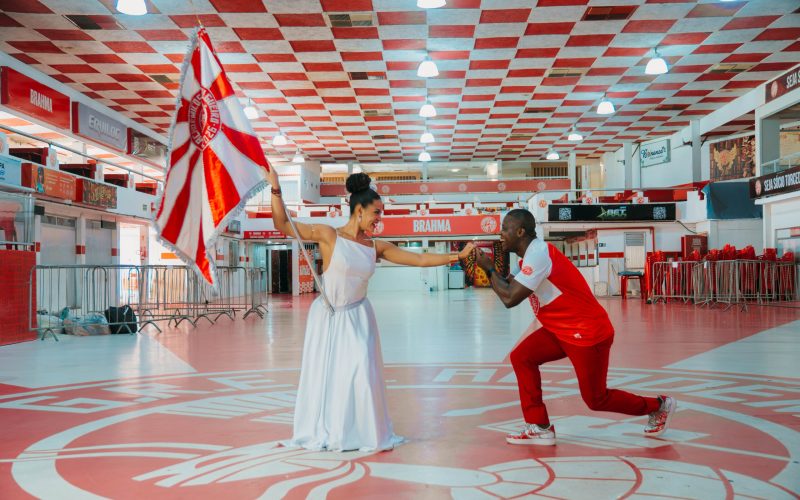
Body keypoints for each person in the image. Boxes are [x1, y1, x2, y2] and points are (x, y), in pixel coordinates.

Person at [268, 168, 474, 452]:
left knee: (362, 371)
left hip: (359, 317)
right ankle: (334, 430)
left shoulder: (376, 246)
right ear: (359, 210)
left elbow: (419, 259)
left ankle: (364, 431)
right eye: (377, 212)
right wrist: (276, 188)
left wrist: (457, 255)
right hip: (328, 318)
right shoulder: (329, 236)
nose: (380, 219)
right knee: (331, 376)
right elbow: (283, 223)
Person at [472, 209, 676, 446]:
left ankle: (659, 406)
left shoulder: (539, 254)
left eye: (505, 229)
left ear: (520, 231)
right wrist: (491, 268)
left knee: (596, 399)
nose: (500, 234)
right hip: (560, 330)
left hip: (587, 333)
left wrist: (488, 269)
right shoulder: (527, 257)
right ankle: (539, 426)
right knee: (522, 357)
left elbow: (509, 298)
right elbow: (507, 284)